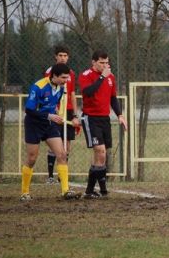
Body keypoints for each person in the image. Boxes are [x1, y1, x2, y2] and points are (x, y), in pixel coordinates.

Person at [20, 63, 80, 200]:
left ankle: (65, 191)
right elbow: (29, 109)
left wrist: (56, 114)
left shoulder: (61, 88)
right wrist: (48, 115)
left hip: (49, 124)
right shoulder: (38, 86)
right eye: (64, 78)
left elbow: (53, 104)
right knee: (32, 158)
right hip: (34, 124)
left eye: (67, 77)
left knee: (62, 154)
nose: (66, 80)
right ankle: (24, 192)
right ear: (54, 76)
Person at [79, 50, 127, 199]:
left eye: (107, 62)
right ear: (93, 62)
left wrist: (119, 115)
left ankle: (91, 191)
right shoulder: (86, 75)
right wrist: (101, 77)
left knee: (102, 155)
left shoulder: (110, 77)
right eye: (102, 62)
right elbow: (88, 92)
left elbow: (113, 98)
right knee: (99, 151)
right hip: (90, 118)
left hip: (104, 119)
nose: (105, 65)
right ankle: (101, 190)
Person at [44, 45, 80, 184]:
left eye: (65, 56)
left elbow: (72, 94)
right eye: (60, 55)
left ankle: (61, 176)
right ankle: (50, 176)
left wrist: (75, 114)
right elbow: (48, 90)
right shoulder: (50, 72)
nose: (63, 58)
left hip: (68, 110)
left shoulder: (71, 73)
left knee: (67, 144)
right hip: (55, 110)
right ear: (55, 56)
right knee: (54, 142)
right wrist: (52, 110)